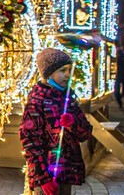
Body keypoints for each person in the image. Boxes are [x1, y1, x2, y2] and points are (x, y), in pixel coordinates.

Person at [19, 48, 93, 195]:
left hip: (66, 173)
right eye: (62, 70)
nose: (67, 74)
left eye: (69, 70)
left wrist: (73, 124)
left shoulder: (68, 99)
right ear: (49, 73)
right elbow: (30, 142)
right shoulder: (37, 101)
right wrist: (42, 178)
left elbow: (85, 132)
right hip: (47, 177)